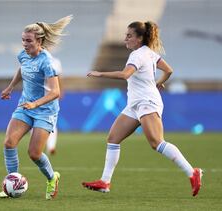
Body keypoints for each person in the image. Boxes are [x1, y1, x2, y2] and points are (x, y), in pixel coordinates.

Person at [81, 21, 203, 197]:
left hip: (146, 102)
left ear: (139, 39)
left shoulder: (137, 55)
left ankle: (193, 172)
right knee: (113, 138)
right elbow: (169, 70)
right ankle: (104, 182)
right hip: (135, 104)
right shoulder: (150, 54)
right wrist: (158, 83)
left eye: (129, 36)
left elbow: (125, 75)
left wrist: (100, 73)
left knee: (157, 142)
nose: (125, 39)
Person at [0, 15, 72, 200]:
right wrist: (10, 87)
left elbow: (55, 91)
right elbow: (22, 69)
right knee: (9, 143)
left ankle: (52, 178)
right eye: (23, 40)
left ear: (39, 41)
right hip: (25, 106)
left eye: (28, 40)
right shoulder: (23, 54)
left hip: (45, 111)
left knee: (34, 153)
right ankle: (11, 182)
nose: (24, 44)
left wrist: (36, 103)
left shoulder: (47, 61)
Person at [45, 57, 63, 155]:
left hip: (50, 95)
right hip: (35, 96)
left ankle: (51, 146)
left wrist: (60, 91)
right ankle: (48, 145)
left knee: (52, 121)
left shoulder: (55, 61)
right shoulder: (29, 59)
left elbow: (58, 78)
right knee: (33, 121)